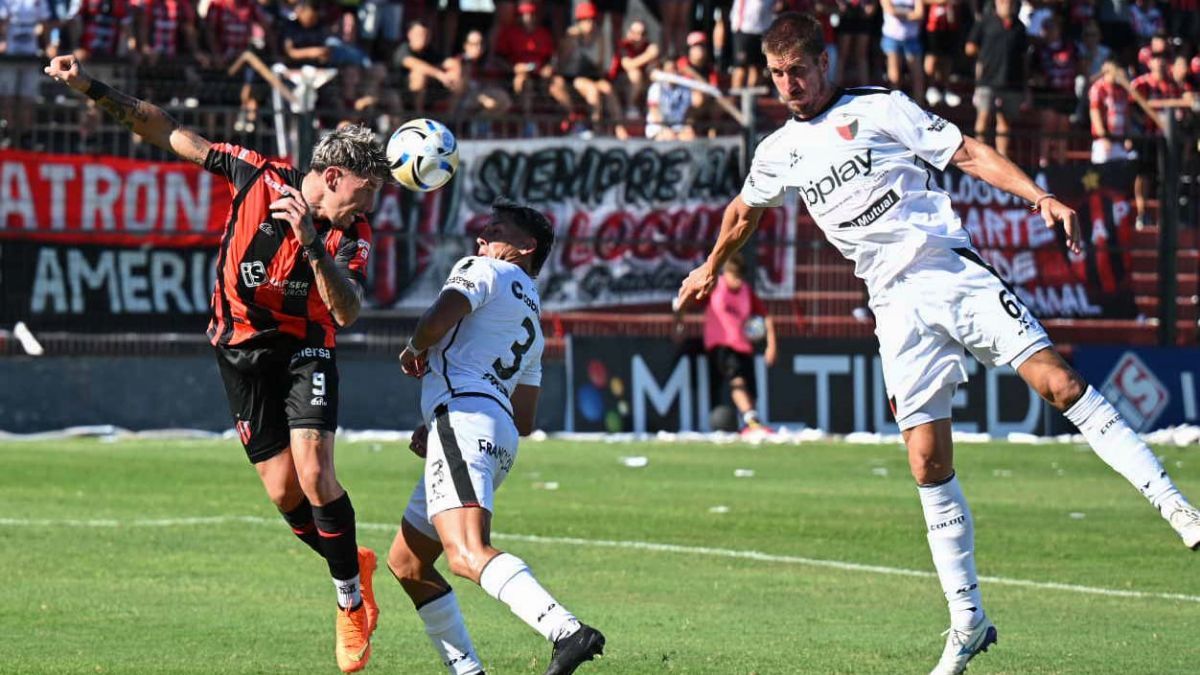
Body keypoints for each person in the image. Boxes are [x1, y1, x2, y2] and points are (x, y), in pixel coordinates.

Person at [676, 13, 1200, 675]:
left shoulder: (882, 108)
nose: (788, 85)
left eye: (798, 71)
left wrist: (1040, 195)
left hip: (949, 269)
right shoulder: (780, 149)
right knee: (926, 461)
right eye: (778, 74)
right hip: (892, 305)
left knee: (1058, 382)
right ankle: (968, 621)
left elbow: (970, 152)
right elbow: (744, 211)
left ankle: (1177, 506)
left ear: (824, 63)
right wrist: (711, 262)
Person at [43, 54, 389, 673]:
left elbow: (346, 313)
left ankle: (349, 603)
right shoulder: (255, 175)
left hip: (306, 345)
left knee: (314, 474)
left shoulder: (351, 235)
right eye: (366, 190)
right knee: (284, 492)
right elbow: (163, 128)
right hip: (238, 349)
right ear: (333, 175)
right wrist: (88, 84)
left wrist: (313, 244)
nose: (370, 205)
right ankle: (349, 562)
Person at [388, 198, 607, 675]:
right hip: (493, 432)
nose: (481, 237)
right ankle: (468, 672)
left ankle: (566, 630)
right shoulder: (532, 319)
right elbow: (525, 415)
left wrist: (414, 348)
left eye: (495, 229)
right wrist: (443, 419)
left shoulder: (485, 270)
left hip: (465, 424)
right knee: (407, 562)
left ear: (525, 247)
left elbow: (438, 315)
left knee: (466, 554)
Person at [675, 252, 777, 435]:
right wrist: (679, 322)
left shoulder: (746, 292)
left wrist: (771, 346)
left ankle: (749, 425)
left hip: (744, 347)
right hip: (721, 345)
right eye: (734, 276)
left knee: (750, 390)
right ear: (726, 273)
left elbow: (765, 316)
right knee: (736, 381)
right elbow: (689, 299)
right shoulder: (715, 286)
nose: (737, 281)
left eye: (740, 277)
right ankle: (752, 422)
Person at [966, 0, 1030, 158]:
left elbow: (1024, 56)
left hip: (1011, 81)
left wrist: (1025, 86)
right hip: (987, 79)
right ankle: (979, 155)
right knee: (983, 116)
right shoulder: (985, 22)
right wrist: (985, 57)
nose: (1006, 4)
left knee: (1005, 121)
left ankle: (1003, 157)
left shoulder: (1019, 27)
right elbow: (970, 47)